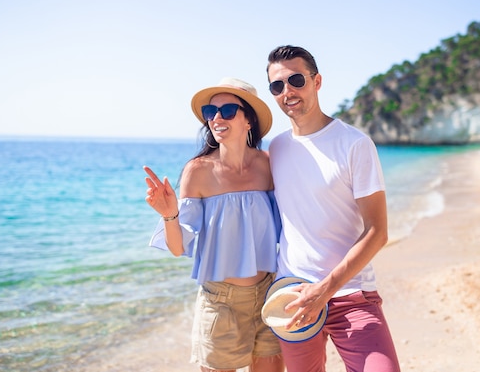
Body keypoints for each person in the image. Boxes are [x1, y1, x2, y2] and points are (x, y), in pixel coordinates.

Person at [265, 45, 401, 372]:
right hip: (293, 297)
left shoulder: (354, 144)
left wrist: (325, 290)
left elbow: (377, 232)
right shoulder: (277, 148)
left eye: (296, 80)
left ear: (317, 81)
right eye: (277, 85)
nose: (288, 91)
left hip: (351, 294)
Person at [144, 77, 284, 372]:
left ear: (249, 121)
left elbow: (292, 220)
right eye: (211, 111)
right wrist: (171, 214)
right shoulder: (198, 171)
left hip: (270, 292)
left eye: (228, 110)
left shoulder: (267, 165)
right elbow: (177, 247)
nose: (217, 118)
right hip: (222, 302)